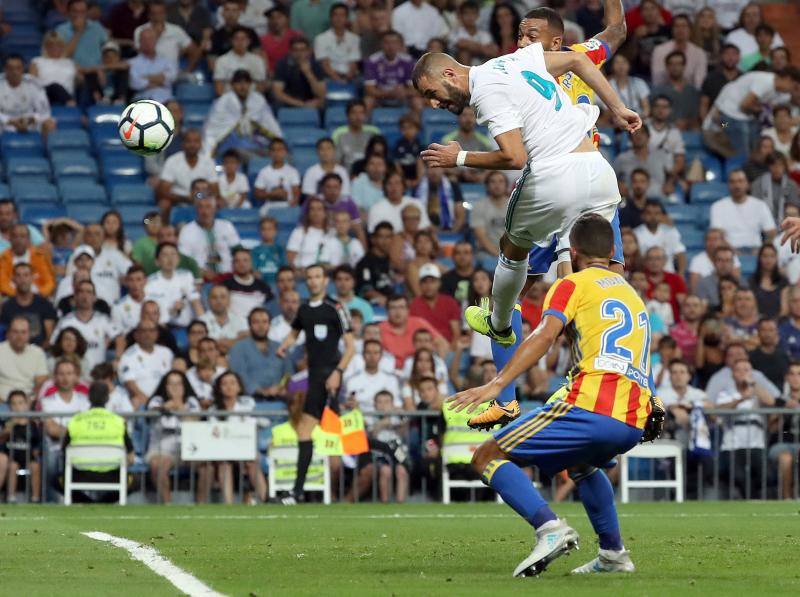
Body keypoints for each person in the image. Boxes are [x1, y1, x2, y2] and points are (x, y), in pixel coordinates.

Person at [449, 214, 661, 576]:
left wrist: (497, 384)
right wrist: (655, 402)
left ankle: (549, 529)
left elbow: (545, 337)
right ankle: (613, 555)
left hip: (591, 404)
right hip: (633, 414)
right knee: (582, 464)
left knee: (486, 456)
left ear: (574, 252)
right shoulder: (632, 295)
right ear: (613, 251)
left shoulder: (573, 285)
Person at [276, 264, 355, 504]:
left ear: (325, 280)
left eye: (317, 276)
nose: (313, 281)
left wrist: (338, 372)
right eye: (309, 277)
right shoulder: (303, 310)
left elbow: (351, 347)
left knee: (336, 434)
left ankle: (296, 492)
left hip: (329, 376)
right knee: (312, 432)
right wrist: (285, 345)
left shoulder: (336, 308)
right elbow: (294, 332)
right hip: (314, 377)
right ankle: (297, 492)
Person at [60, 381, 134, 503]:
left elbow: (64, 451)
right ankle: (104, 503)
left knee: (54, 479)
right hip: (112, 475)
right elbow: (131, 457)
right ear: (108, 397)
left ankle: (87, 502)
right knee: (134, 481)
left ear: (88, 397)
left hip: (80, 475)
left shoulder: (76, 420)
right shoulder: (118, 421)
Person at [146, 370, 203, 503]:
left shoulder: (192, 402)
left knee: (208, 467)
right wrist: (167, 407)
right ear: (165, 386)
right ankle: (168, 505)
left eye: (178, 384)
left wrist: (180, 408)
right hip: (161, 449)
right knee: (157, 465)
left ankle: (202, 507)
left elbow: (195, 422)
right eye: (171, 384)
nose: (175, 388)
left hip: (189, 448)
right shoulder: (157, 400)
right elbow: (151, 413)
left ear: (185, 386)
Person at [49, 280, 119, 370]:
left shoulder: (103, 320)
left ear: (94, 298)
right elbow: (53, 343)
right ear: (75, 297)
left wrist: (118, 358)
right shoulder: (65, 321)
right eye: (81, 292)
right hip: (74, 376)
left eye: (89, 292)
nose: (85, 296)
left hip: (98, 374)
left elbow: (120, 338)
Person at [228, 308, 292, 400]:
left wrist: (280, 388)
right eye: (256, 322)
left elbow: (288, 374)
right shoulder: (238, 348)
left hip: (279, 399)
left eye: (265, 322)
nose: (261, 326)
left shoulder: (281, 348)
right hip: (249, 401)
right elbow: (239, 376)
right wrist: (261, 391)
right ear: (249, 325)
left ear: (270, 325)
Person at [709, 169, 777, 252]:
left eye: (740, 181)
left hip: (756, 250)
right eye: (732, 182)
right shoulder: (717, 207)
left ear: (747, 184)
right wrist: (732, 251)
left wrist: (762, 250)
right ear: (728, 185)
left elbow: (772, 232)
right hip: (728, 252)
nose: (737, 185)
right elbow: (717, 235)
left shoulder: (760, 205)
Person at [178, 194, 241, 278]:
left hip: (229, 276)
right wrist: (201, 271)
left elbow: (239, 251)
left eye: (208, 207)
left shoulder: (226, 226)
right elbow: (184, 260)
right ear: (196, 210)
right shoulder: (187, 230)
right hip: (201, 277)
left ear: (215, 209)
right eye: (201, 207)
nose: (205, 211)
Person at [156, 130, 219, 214]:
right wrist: (185, 199)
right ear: (183, 144)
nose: (192, 145)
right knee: (164, 203)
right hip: (177, 201)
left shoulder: (208, 162)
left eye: (196, 141)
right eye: (189, 141)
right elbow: (162, 191)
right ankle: (166, 227)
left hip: (203, 201)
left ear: (201, 144)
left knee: (219, 202)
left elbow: (215, 190)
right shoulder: (172, 160)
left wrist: (200, 197)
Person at [145, 242, 204, 328]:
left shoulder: (186, 276)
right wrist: (172, 311)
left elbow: (196, 304)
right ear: (157, 261)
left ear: (178, 259)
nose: (170, 259)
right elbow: (149, 313)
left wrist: (205, 326)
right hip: (161, 328)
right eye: (165, 255)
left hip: (186, 328)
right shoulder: (150, 283)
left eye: (173, 254)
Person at [118, 320, 174, 409]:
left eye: (152, 330)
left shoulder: (167, 353)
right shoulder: (128, 356)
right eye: (144, 331)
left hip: (166, 403)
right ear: (136, 335)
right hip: (143, 404)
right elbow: (129, 384)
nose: (148, 334)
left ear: (157, 334)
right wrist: (150, 404)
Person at [0, 263, 58, 347]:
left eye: (26, 275)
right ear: (14, 279)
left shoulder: (45, 304)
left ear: (32, 278)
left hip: (40, 352)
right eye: (18, 275)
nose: (22, 279)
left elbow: (49, 337)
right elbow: (5, 336)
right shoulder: (7, 306)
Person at [0, 54, 56, 135]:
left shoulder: (33, 83)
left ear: (23, 69)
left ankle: (45, 147)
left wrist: (31, 120)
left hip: (29, 121)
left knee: (49, 124)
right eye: (11, 68)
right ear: (5, 70)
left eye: (18, 68)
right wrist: (9, 121)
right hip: (5, 122)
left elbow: (44, 112)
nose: (15, 72)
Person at [409, 263, 461, 344]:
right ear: (420, 285)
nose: (429, 286)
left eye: (432, 282)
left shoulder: (450, 302)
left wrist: (451, 353)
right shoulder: (414, 304)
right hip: (423, 348)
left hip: (448, 347)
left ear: (439, 283)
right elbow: (412, 332)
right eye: (425, 282)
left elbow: (456, 333)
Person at [0, 317, 48, 402]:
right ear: (8, 334)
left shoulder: (38, 353)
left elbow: (41, 383)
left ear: (29, 334)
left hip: (29, 402)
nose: (19, 336)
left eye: (23, 332)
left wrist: (30, 401)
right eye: (15, 332)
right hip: (2, 403)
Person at [0, 224, 55, 298]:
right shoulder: (3, 258)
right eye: (15, 236)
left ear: (29, 239)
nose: (18, 240)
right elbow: (3, 284)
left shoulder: (39, 256)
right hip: (11, 297)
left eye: (22, 236)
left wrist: (39, 294)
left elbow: (49, 282)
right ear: (10, 239)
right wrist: (19, 296)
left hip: (38, 296)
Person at [364, 30, 414, 110]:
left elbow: (414, 89)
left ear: (400, 45)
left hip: (401, 96)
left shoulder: (408, 61)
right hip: (380, 97)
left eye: (394, 43)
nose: (391, 46)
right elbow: (370, 90)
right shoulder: (372, 61)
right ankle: (367, 123)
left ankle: (413, 122)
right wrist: (388, 93)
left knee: (417, 101)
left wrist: (404, 92)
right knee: (368, 101)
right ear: (381, 44)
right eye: (387, 42)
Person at [345, 339, 402, 411]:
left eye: (376, 353)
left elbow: (397, 405)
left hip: (387, 420)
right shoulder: (352, 381)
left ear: (381, 355)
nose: (372, 356)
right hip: (361, 418)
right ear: (363, 355)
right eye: (368, 352)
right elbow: (350, 405)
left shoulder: (391, 380)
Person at [272, 36, 327, 109]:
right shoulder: (282, 65)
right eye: (295, 50)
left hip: (311, 101)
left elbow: (321, 94)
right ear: (290, 52)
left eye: (303, 50)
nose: (299, 53)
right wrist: (301, 104)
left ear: (309, 51)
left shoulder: (316, 65)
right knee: (277, 104)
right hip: (289, 102)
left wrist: (308, 73)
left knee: (323, 104)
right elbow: (278, 93)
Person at [218, 247, 272, 319]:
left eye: (245, 260)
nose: (242, 264)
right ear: (233, 264)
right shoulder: (224, 286)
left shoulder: (263, 286)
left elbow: (270, 310)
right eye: (237, 261)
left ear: (251, 263)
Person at [314, 2, 360, 84]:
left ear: (347, 18)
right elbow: (325, 65)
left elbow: (353, 63)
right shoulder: (320, 39)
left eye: (342, 15)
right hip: (328, 77)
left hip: (349, 76)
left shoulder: (354, 38)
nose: (339, 18)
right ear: (331, 17)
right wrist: (338, 80)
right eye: (336, 15)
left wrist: (347, 78)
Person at [213, 26, 267, 95]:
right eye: (236, 39)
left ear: (248, 41)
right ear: (231, 41)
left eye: (243, 39)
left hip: (252, 99)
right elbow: (219, 88)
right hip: (229, 99)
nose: (240, 42)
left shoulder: (257, 60)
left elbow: (261, 85)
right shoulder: (221, 60)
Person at [128, 27, 176, 103]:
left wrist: (146, 77)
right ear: (140, 42)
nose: (148, 42)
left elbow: (170, 78)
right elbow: (135, 83)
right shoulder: (132, 62)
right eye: (144, 40)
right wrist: (159, 80)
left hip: (165, 101)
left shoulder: (167, 61)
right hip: (142, 101)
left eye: (150, 39)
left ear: (156, 41)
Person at [332, 99, 381, 171]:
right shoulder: (339, 134)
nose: (358, 117)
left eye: (361, 113)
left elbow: (380, 157)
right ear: (347, 115)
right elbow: (336, 161)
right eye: (354, 113)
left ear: (365, 115)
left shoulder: (374, 132)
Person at [200, 285, 248, 354]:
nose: (219, 301)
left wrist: (218, 342)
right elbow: (204, 347)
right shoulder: (201, 321)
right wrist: (237, 340)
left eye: (223, 297)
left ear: (229, 300)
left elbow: (247, 345)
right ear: (208, 300)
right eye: (214, 297)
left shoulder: (241, 321)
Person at [253, 138, 301, 207]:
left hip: (287, 205)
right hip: (270, 205)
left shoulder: (293, 171)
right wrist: (271, 194)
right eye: (273, 150)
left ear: (285, 152)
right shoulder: (264, 172)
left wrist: (293, 202)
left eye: (280, 150)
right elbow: (257, 194)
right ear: (269, 153)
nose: (276, 153)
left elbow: (296, 192)